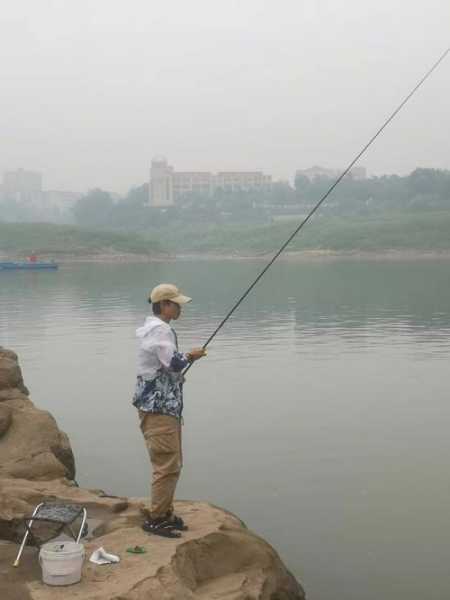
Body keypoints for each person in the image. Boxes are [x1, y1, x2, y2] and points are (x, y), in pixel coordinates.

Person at [132, 283, 206, 538]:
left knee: (171, 463)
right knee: (167, 464)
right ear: (164, 305)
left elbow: (164, 368)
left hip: (161, 408)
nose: (180, 307)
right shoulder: (161, 330)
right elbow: (172, 363)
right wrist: (192, 356)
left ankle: (164, 513)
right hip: (159, 409)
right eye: (176, 304)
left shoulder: (153, 329)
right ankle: (156, 519)